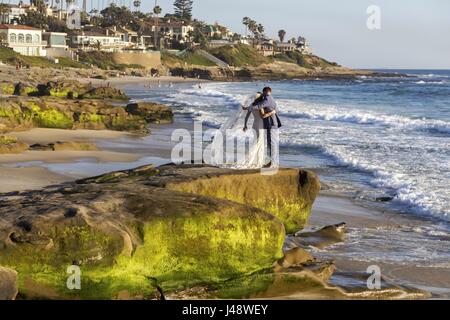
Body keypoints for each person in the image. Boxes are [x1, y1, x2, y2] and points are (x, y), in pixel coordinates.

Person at [252, 87, 281, 168]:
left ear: (265, 92)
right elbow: (276, 109)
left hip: (271, 124)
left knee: (272, 144)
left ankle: (273, 163)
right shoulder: (270, 99)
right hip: (270, 124)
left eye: (263, 92)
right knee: (271, 144)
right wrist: (272, 112)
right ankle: (273, 162)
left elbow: (259, 107)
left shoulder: (267, 99)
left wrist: (249, 108)